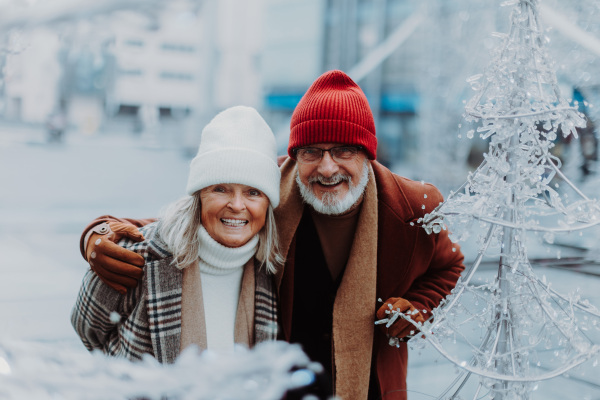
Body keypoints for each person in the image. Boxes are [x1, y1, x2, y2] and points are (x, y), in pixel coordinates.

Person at [77, 71, 465, 399]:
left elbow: (449, 265)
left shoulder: (416, 205)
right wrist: (98, 232)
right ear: (295, 157)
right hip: (286, 385)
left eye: (343, 150)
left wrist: (419, 306)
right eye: (311, 152)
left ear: (367, 152)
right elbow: (190, 219)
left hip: (370, 389)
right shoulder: (268, 188)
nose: (327, 168)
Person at [71, 106, 282, 363]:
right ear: (199, 195)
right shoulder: (139, 254)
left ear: (268, 204)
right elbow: (86, 328)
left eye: (253, 192)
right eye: (221, 188)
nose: (237, 205)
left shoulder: (271, 270)